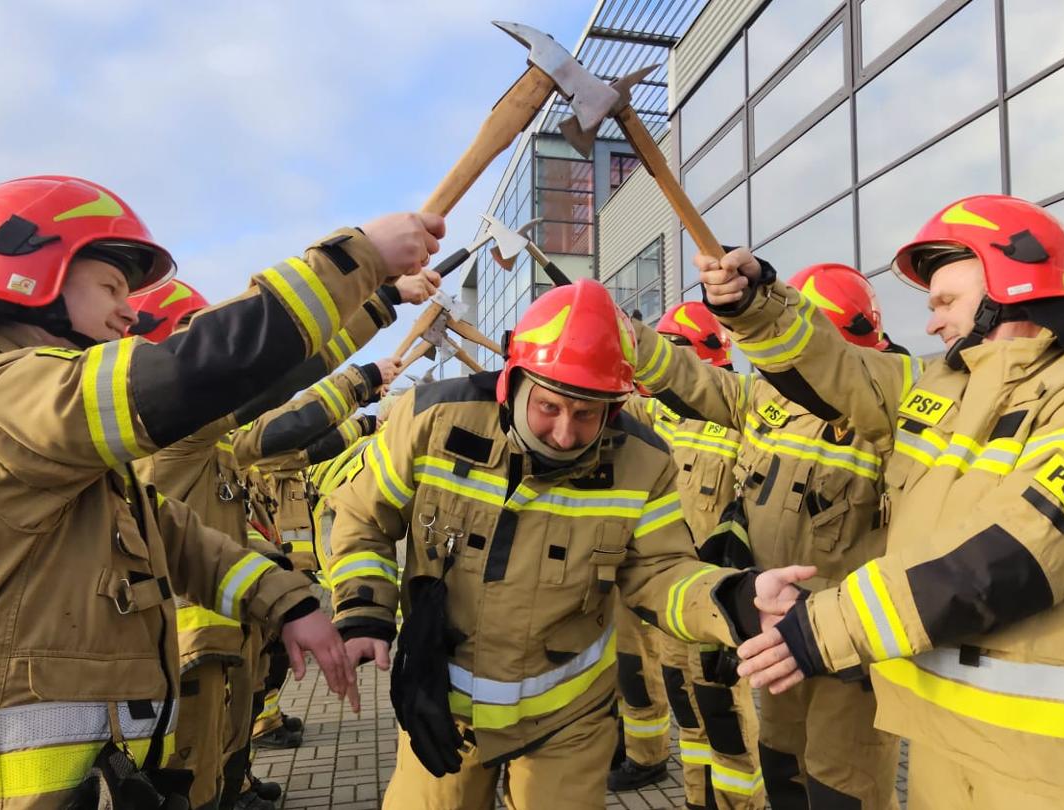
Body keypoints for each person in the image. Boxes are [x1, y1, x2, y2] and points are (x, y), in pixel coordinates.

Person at [0, 175, 439, 809]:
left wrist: (289, 603)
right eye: (110, 285)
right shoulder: (0, 396)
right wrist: (361, 260)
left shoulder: (28, 428)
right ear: (28, 276)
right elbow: (202, 369)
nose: (130, 312)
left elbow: (168, 532)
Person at [717, 194, 1064, 808]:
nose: (932, 324)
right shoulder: (940, 387)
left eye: (944, 302)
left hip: (1053, 765)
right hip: (939, 740)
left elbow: (999, 563)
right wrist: (756, 304)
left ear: (1009, 289)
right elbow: (834, 368)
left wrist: (825, 627)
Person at [321, 280, 789, 809]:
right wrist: (363, 612)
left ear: (614, 407)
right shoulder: (431, 420)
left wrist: (733, 600)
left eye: (587, 413)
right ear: (513, 382)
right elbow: (362, 515)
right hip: (442, 705)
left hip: (569, 723)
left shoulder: (643, 462)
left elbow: (660, 571)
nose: (565, 434)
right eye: (549, 407)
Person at [127, 275, 427, 810]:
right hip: (185, 642)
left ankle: (236, 790)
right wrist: (372, 329)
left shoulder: (206, 442)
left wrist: (365, 415)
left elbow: (289, 434)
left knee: (228, 752)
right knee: (187, 773)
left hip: (229, 626)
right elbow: (279, 388)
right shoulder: (174, 439)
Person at [626, 282, 914, 809]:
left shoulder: (895, 418)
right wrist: (631, 339)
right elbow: (692, 379)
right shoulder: (766, 397)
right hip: (778, 632)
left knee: (843, 789)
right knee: (783, 766)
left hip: (848, 649)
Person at [609, 301, 763, 808]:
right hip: (675, 597)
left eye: (671, 352)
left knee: (724, 714)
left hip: (718, 597)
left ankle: (741, 802)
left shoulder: (741, 424)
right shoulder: (658, 412)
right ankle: (701, 799)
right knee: (688, 707)